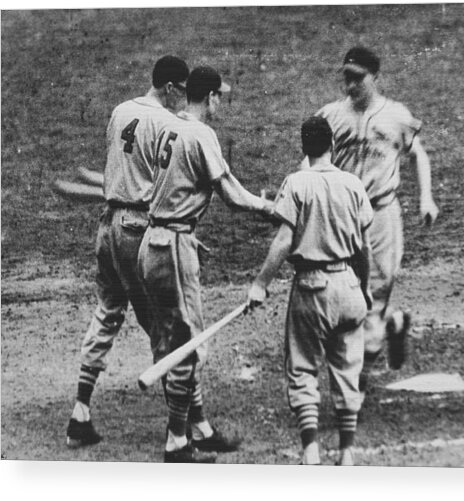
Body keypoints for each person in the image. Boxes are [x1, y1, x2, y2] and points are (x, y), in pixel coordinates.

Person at [137, 65, 273, 463]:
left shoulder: (166, 125)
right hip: (175, 247)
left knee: (170, 339)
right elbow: (231, 194)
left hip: (153, 242)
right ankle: (177, 441)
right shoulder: (201, 134)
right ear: (210, 96)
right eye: (219, 97)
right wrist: (269, 207)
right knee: (189, 348)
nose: (220, 103)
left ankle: (199, 427)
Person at [66, 55, 190, 448]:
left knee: (107, 311)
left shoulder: (122, 110)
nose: (183, 99)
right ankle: (181, 430)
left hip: (108, 226)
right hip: (137, 230)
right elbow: (165, 185)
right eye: (181, 91)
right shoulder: (167, 123)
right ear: (169, 88)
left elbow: (119, 170)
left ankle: (80, 413)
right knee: (162, 323)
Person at [304, 46, 440, 393]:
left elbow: (418, 156)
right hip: (343, 219)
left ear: (375, 77)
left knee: (373, 297)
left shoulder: (396, 115)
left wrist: (426, 198)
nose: (350, 86)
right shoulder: (331, 116)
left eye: (357, 78)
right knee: (342, 298)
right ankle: (392, 325)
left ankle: (356, 386)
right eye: (346, 78)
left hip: (382, 217)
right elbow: (309, 162)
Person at [248, 116, 373, 466]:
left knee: (303, 368)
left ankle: (311, 451)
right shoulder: (352, 183)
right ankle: (347, 452)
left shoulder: (296, 182)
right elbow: (363, 248)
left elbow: (284, 240)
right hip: (348, 284)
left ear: (304, 149)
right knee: (348, 367)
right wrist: (364, 290)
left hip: (311, 288)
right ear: (332, 145)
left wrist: (260, 284)